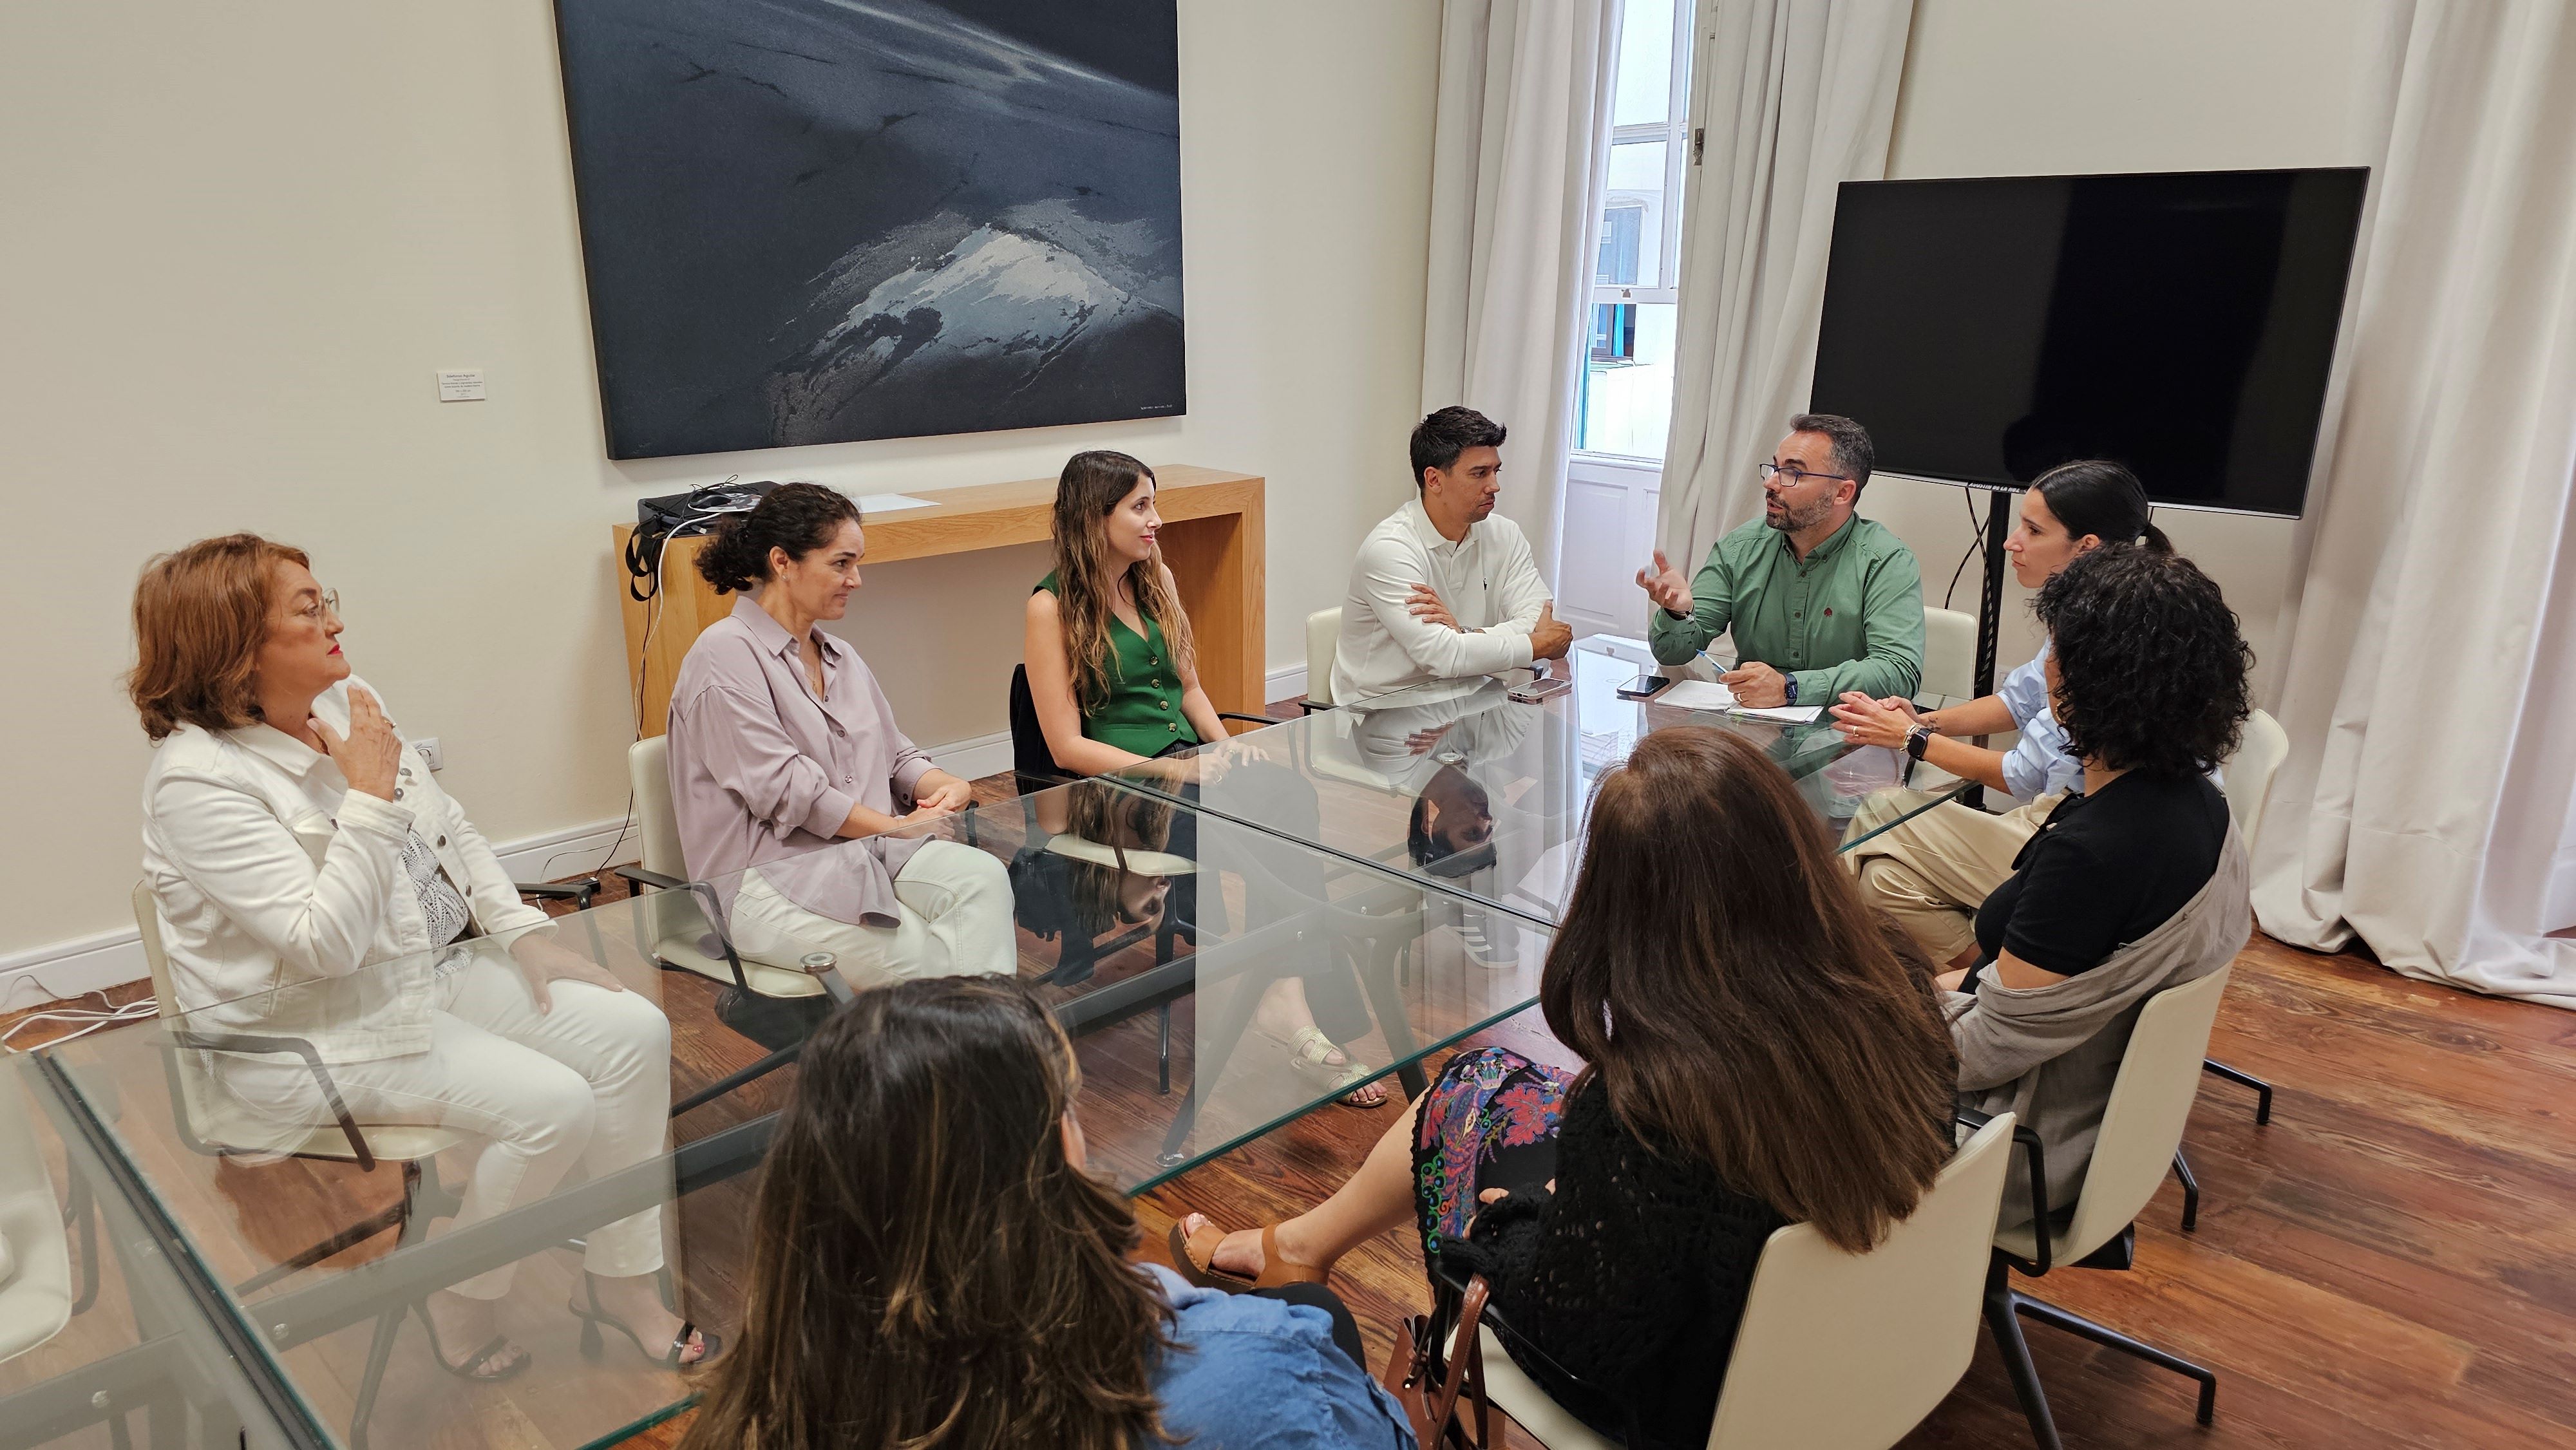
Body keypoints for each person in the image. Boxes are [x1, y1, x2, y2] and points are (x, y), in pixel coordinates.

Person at [1171, 727, 1960, 1450]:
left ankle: (1295, 1250)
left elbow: (1580, 1330)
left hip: (1687, 1392)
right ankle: (1299, 1245)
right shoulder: (1895, 982)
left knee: (1464, 1125)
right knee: (1476, 1076)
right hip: (1847, 1329)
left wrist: (1516, 1218)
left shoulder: (1656, 1107)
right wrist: (1585, 1189)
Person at [131, 536, 706, 1382]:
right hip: (315, 1031)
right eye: (308, 609)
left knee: (633, 1031)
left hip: (424, 973)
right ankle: (464, 1291)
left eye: (327, 599)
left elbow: (449, 825)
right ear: (235, 648)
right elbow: (325, 949)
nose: (335, 622)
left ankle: (619, 1280)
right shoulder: (197, 783)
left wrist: (521, 933)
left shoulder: (346, 698)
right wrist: (366, 793)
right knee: (553, 1106)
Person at [673, 976, 1416, 1450]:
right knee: (1320, 1314)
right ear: (1056, 1147)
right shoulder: (1254, 1373)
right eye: (1069, 1103)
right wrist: (1170, 1300)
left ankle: (1288, 1248)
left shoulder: (755, 1414)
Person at [1028, 451, 1389, 1108]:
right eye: (1140, 507)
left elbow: (1190, 688)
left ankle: (1284, 993)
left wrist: (1229, 749)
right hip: (1121, 792)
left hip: (1188, 767)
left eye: (1154, 504)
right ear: (1093, 517)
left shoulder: (1156, 578)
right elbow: (1066, 746)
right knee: (1280, 818)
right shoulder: (1048, 607)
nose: (1157, 521)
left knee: (1286, 796)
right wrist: (1174, 766)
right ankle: (1296, 1000)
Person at [1942, 544, 2254, 1227]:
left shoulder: (2094, 855)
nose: (2044, 664)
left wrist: (1848, 1019)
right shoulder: (2200, 802)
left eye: (2055, 648)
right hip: (2092, 1108)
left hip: (2008, 1147)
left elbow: (1984, 1049)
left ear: (2086, 680)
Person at [667, 483, 1014, 987]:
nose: (856, 580)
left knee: (983, 879)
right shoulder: (722, 655)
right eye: (841, 564)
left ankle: (972, 1035)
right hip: (765, 879)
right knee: (933, 958)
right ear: (783, 562)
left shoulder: (841, 656)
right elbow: (789, 793)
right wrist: (896, 827)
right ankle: (982, 1035)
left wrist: (944, 784)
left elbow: (896, 755)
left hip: (867, 852)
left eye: (857, 563)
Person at [1832, 460, 2172, 971]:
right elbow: (2018, 701)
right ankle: (1991, 975)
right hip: (2067, 821)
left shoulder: (2103, 640)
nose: (2013, 542)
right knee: (1884, 880)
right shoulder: (2101, 613)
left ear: (2086, 547)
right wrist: (1922, 721)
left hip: (2086, 841)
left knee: (1881, 812)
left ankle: (1813, 957)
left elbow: (2021, 776)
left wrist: (1911, 739)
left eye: (2033, 530)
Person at [1636, 413, 1924, 706]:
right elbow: (1672, 654)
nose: (1771, 483)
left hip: (1847, 723)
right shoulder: (1739, 548)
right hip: (1749, 720)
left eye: (1793, 473)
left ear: (1842, 492)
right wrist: (1678, 614)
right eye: (1775, 468)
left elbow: (1898, 671)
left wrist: (1790, 688)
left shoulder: (1886, 561)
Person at [1331, 407, 1575, 703]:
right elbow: (1443, 657)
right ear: (1434, 480)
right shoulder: (1390, 550)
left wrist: (1466, 635)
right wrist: (1535, 646)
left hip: (1469, 693)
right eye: (1479, 473)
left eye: (1496, 471)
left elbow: (1542, 621)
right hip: (1382, 707)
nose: (1495, 486)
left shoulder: (1505, 534)